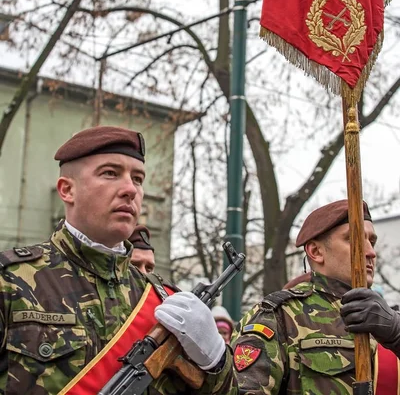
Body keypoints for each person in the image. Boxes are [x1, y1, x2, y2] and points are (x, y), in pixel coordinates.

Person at [0, 126, 236, 395]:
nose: (130, 190)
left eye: (137, 179)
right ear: (67, 190)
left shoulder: (164, 300)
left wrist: (216, 362)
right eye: (110, 173)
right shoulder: (10, 281)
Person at [231, 199, 400, 394]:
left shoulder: (389, 322)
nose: (370, 252)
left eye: (371, 241)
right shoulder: (279, 317)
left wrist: (396, 335)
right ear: (316, 251)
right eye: (354, 239)